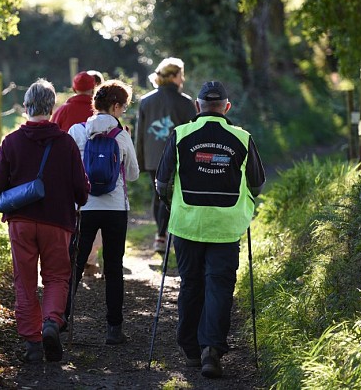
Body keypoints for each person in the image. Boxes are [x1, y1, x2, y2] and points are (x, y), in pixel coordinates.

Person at [154, 81, 265, 378]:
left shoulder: (180, 135)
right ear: (227, 108)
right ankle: (211, 350)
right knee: (219, 286)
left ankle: (190, 348)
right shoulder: (242, 137)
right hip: (227, 227)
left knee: (191, 283)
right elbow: (257, 183)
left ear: (197, 105)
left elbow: (162, 183)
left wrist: (171, 204)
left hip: (187, 224)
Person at [0, 79, 90, 363]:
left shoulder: (11, 142)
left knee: (25, 281)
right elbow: (81, 190)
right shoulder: (66, 143)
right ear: (52, 106)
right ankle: (51, 323)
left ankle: (32, 343)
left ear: (25, 106)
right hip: (57, 221)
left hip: (21, 220)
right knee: (57, 276)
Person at [65, 79, 140, 344]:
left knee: (74, 263)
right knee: (114, 267)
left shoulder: (77, 131)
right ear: (116, 106)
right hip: (115, 208)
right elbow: (132, 174)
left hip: (84, 207)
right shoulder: (121, 135)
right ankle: (114, 329)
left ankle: (61, 319)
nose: (124, 111)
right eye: (124, 106)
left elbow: (68, 170)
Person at [134, 57, 196, 253]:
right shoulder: (185, 103)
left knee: (158, 196)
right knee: (175, 196)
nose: (183, 79)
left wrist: (140, 160)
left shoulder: (146, 101)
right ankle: (168, 235)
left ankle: (161, 236)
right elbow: (193, 134)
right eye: (181, 74)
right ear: (174, 77)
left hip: (153, 158)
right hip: (179, 156)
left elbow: (140, 134)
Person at [53, 70, 105, 277]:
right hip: (98, 171)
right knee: (97, 216)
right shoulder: (100, 111)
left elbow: (53, 138)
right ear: (94, 87)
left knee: (71, 215)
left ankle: (70, 258)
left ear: (74, 88)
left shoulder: (63, 110)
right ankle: (91, 261)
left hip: (69, 171)